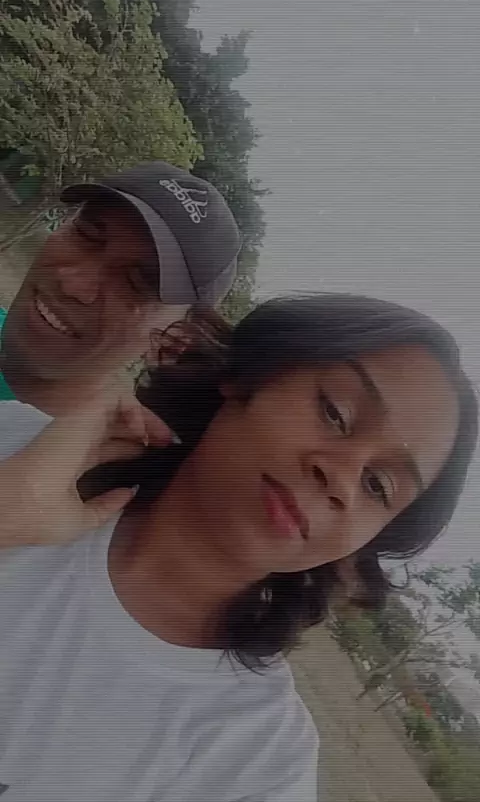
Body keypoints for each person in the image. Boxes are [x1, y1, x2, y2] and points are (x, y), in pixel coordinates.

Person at [0, 293, 476, 801]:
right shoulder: (21, 452)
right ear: (252, 375)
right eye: (335, 413)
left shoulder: (258, 762)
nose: (340, 477)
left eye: (378, 487)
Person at [0, 160, 240, 414]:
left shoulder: (53, 439)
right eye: (86, 234)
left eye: (137, 282)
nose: (73, 285)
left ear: (176, 339)